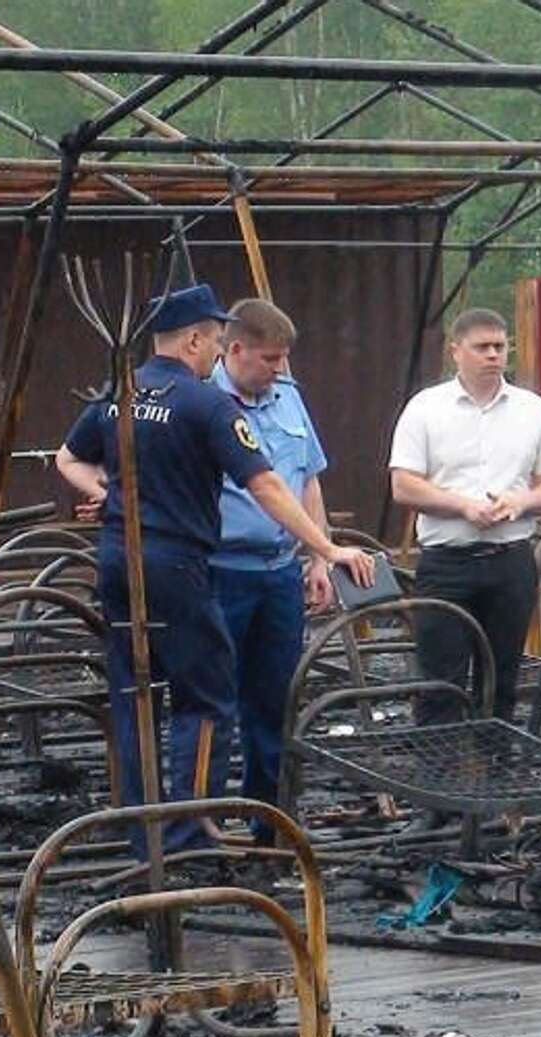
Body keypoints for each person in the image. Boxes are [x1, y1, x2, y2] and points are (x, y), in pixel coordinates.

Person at [54, 283, 376, 855]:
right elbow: (268, 485)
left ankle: (144, 831)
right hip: (178, 564)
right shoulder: (206, 404)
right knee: (205, 699)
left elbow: (68, 457)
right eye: (214, 339)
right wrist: (328, 550)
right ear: (197, 339)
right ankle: (188, 832)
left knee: (134, 695)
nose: (216, 349)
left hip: (117, 558)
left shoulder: (119, 393)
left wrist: (115, 495)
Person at [388, 307, 541, 724]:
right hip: (447, 561)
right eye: (482, 347)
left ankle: (496, 771)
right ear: (456, 351)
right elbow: (404, 485)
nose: (492, 355)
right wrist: (463, 506)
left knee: (502, 676)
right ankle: (441, 777)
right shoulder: (426, 408)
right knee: (440, 681)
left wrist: (519, 502)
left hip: (510, 560)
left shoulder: (532, 410)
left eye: (499, 347)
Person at [209, 299, 331, 845]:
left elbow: (307, 479)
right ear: (234, 350)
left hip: (280, 570)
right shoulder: (200, 403)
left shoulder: (289, 398)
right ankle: (202, 823)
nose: (278, 369)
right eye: (268, 359)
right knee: (211, 702)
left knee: (276, 699)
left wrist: (320, 556)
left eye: (283, 359)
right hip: (219, 571)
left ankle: (269, 821)